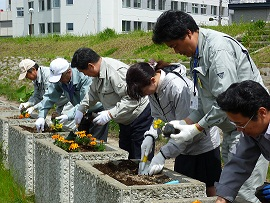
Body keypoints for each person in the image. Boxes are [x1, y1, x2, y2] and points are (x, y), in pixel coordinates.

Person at [152, 10, 268, 203]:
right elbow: (205, 104)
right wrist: (185, 123)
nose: (175, 51)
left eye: (175, 45)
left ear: (188, 33)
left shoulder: (217, 50)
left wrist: (196, 128)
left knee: (245, 193)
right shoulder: (197, 55)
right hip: (234, 130)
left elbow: (224, 101)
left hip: (250, 127)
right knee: (229, 188)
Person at [126, 61, 221, 196]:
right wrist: (151, 135)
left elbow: (186, 127)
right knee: (184, 189)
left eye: (143, 92)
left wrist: (163, 154)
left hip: (202, 144)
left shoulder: (176, 87)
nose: (146, 95)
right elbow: (158, 117)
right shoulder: (153, 91)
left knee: (210, 188)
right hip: (182, 146)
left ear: (152, 80)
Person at [71, 47, 153, 159]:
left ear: (90, 66)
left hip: (140, 116)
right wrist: (81, 109)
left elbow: (133, 98)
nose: (85, 75)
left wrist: (110, 113)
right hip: (125, 119)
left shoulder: (116, 72)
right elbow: (92, 93)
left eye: (83, 72)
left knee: (141, 156)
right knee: (126, 155)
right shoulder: (98, 74)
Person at [215, 80, 270, 203]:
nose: (239, 129)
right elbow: (239, 162)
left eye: (241, 124)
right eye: (234, 124)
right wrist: (222, 198)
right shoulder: (253, 131)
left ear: (262, 112)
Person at [35, 58, 108, 141]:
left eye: (60, 78)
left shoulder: (84, 77)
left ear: (69, 72)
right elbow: (49, 97)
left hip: (96, 110)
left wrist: (68, 115)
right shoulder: (61, 80)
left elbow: (86, 101)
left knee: (95, 143)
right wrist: (41, 116)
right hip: (81, 112)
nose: (59, 81)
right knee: (81, 141)